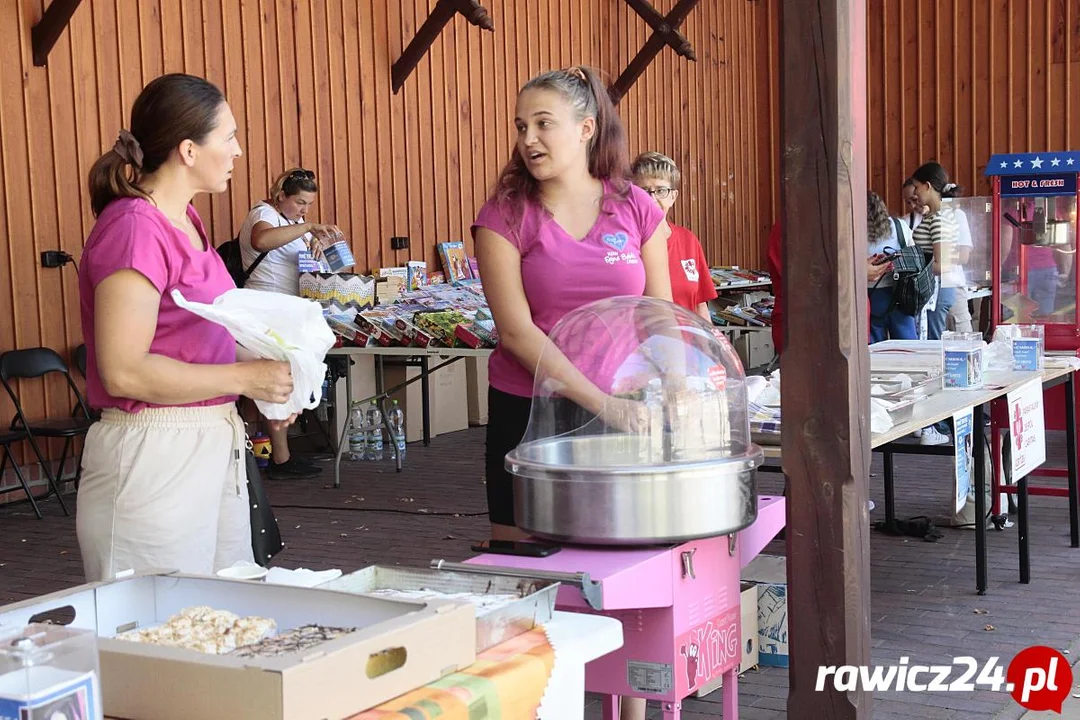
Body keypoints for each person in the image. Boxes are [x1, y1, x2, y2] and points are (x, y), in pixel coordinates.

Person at [473, 67, 673, 720]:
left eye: (543, 123)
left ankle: (629, 706)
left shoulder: (636, 206)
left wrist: (664, 383)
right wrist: (604, 402)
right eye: (521, 126)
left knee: (624, 569)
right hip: (528, 416)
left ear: (587, 129)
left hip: (623, 416)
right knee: (522, 578)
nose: (528, 138)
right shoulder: (504, 215)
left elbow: (662, 315)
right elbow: (517, 332)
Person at [78, 73, 295, 582]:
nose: (238, 150)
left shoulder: (187, 221)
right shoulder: (135, 226)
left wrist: (274, 379)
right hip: (152, 456)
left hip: (208, 444)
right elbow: (123, 371)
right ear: (188, 150)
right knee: (155, 640)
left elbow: (200, 346)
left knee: (221, 622)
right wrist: (244, 380)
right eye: (229, 137)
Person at [238, 168, 341, 479]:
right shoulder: (263, 213)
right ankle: (279, 458)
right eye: (299, 202)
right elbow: (262, 240)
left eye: (308, 204)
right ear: (281, 195)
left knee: (283, 380)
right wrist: (308, 226)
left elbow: (341, 266)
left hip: (288, 312)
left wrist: (326, 245)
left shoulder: (297, 224)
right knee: (272, 379)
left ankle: (278, 453)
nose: (304, 210)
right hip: (264, 310)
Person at [908, 161, 962, 445]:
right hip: (933, 293)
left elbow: (942, 263)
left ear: (927, 186)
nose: (915, 193)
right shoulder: (937, 216)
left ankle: (936, 424)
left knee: (931, 355)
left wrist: (912, 266)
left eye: (916, 187)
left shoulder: (940, 219)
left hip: (932, 294)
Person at [631, 151, 717, 320]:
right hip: (643, 344)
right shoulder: (627, 243)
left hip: (686, 345)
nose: (652, 199)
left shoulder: (688, 240)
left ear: (673, 196)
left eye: (661, 190)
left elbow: (700, 305)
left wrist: (711, 344)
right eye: (644, 191)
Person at [866, 190, 917, 341]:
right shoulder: (899, 226)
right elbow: (913, 255)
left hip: (868, 296)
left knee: (873, 349)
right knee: (907, 347)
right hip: (899, 294)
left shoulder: (852, 230)